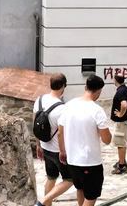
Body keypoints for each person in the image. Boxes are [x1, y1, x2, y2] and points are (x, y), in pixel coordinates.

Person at [58, 74, 112, 206]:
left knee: (80, 189)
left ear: (85, 87)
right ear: (99, 91)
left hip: (72, 160)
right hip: (90, 162)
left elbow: (60, 132)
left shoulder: (68, 106)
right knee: (91, 196)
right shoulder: (97, 111)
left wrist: (62, 151)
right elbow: (106, 140)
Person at [33, 73, 73, 206]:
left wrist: (38, 145)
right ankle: (43, 201)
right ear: (62, 86)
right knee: (69, 179)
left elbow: (35, 124)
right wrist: (63, 151)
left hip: (45, 147)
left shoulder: (39, 100)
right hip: (57, 150)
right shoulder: (62, 108)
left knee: (51, 178)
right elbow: (61, 133)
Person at [110, 73, 127, 175]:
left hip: (121, 123)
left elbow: (124, 104)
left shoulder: (121, 92)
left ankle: (121, 166)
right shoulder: (125, 89)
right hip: (124, 122)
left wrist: (120, 114)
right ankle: (122, 160)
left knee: (120, 144)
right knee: (123, 142)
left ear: (115, 80)